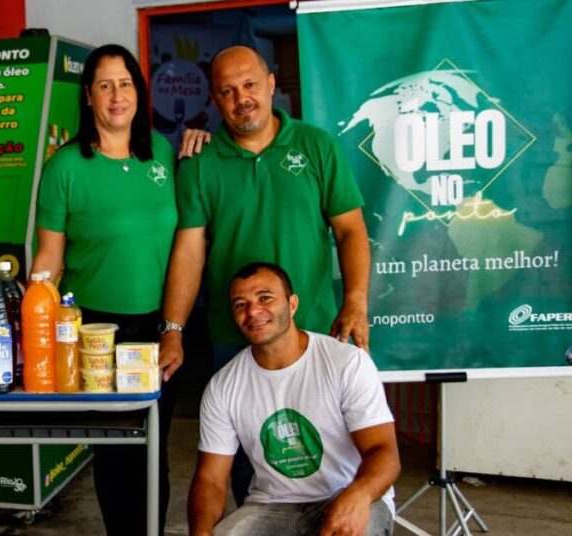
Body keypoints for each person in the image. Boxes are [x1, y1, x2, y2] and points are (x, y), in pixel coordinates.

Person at [160, 45, 372, 505]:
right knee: (244, 462)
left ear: (272, 83)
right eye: (228, 91)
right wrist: (173, 329)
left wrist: (355, 300)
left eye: (251, 84)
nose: (243, 98)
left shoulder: (317, 146)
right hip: (234, 336)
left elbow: (351, 229)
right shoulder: (199, 162)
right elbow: (190, 250)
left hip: (314, 328)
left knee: (331, 452)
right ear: (214, 100)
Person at [30, 44, 179, 535]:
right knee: (116, 454)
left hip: (161, 325)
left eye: (126, 83)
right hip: (96, 327)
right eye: (105, 85)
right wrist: (37, 319)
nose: (117, 95)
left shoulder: (162, 152)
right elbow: (49, 258)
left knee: (156, 445)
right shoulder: (65, 167)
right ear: (89, 97)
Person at [188, 262, 399, 536]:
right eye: (241, 304)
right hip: (270, 506)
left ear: (292, 304)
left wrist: (359, 495)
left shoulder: (346, 362)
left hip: (344, 495)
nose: (253, 311)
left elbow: (384, 453)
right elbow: (210, 480)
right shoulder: (223, 385)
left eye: (265, 298)